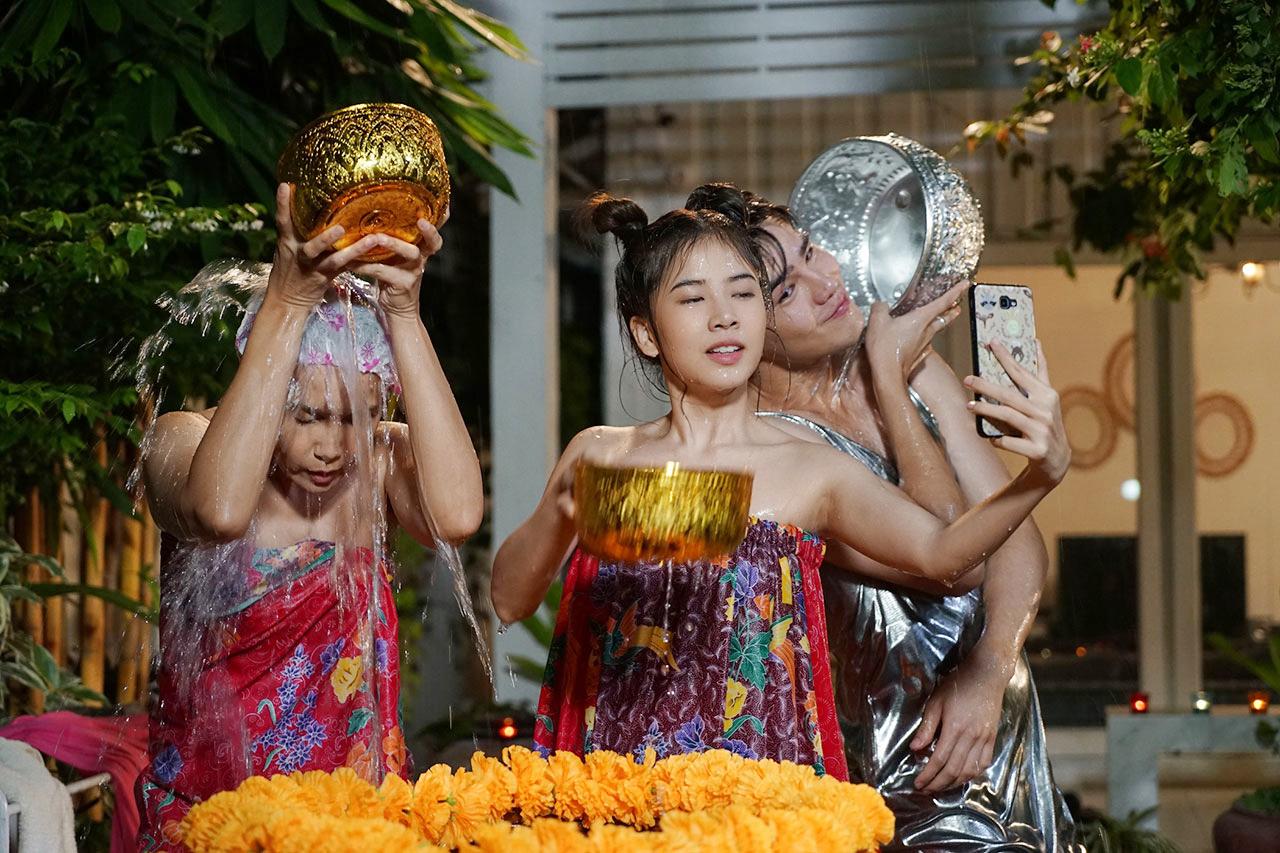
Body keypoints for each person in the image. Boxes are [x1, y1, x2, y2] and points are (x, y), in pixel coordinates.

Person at [489, 193, 1070, 779]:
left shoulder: (810, 468)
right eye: (693, 298)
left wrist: (1040, 477)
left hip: (761, 792)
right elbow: (509, 601)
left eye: (743, 293)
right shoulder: (599, 451)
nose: (724, 316)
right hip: (609, 782)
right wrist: (562, 514)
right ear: (646, 334)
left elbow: (945, 555)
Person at [687, 182, 1079, 850]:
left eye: (812, 251)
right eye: (787, 290)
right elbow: (954, 560)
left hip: (997, 729)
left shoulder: (916, 369)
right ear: (746, 323)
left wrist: (990, 670)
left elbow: (1019, 544)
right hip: (901, 766)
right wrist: (891, 385)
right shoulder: (770, 448)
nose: (826, 282)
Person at [135, 185, 483, 850]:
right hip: (215, 813)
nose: (333, 446)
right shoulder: (184, 440)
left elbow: (457, 515)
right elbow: (220, 510)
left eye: (356, 416)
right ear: (268, 390)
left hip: (352, 814)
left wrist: (405, 316)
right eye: (307, 415)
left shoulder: (375, 463)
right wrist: (288, 302)